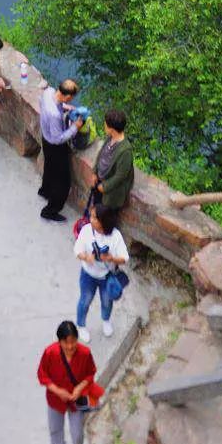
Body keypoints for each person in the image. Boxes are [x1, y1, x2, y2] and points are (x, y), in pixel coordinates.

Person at [37, 319, 102, 444]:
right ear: (59, 341)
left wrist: (79, 388)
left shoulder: (85, 353)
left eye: (73, 342)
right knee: (55, 429)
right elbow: (42, 375)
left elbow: (90, 374)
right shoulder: (50, 353)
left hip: (76, 401)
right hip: (55, 400)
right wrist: (57, 390)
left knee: (77, 432)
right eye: (66, 342)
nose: (70, 346)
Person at [74, 204, 129, 339]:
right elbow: (77, 250)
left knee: (107, 301)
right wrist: (86, 257)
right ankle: (81, 325)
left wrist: (111, 258)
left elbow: (125, 258)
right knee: (85, 301)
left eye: (94, 218)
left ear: (104, 221)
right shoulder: (86, 230)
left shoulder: (115, 236)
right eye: (91, 216)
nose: (90, 219)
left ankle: (106, 320)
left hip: (106, 277)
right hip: (88, 275)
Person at [38, 79, 82, 221]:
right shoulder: (55, 116)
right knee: (63, 182)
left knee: (49, 168)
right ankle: (50, 211)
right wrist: (76, 127)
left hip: (45, 138)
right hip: (55, 146)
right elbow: (58, 138)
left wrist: (65, 107)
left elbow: (45, 103)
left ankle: (45, 191)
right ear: (68, 96)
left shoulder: (49, 92)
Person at [91, 108, 134, 213]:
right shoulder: (110, 138)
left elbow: (120, 176)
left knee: (104, 216)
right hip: (100, 182)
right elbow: (101, 155)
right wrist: (94, 172)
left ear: (112, 129)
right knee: (96, 210)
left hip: (110, 191)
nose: (104, 125)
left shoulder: (125, 151)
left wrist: (105, 187)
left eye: (105, 124)